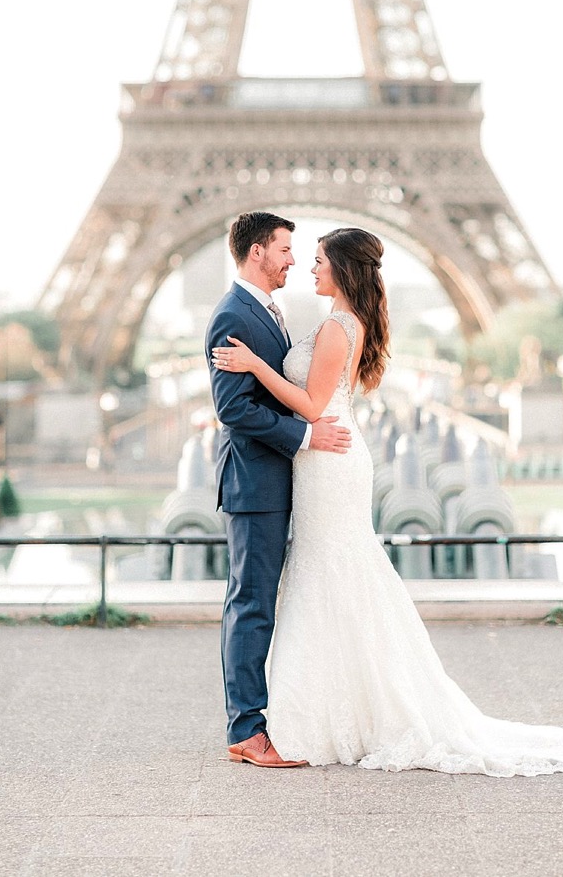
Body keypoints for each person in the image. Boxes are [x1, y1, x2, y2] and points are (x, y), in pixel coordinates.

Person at [211, 225, 563, 774]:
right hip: (318, 461)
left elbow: (309, 405)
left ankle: (307, 720)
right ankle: (314, 716)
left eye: (318, 260)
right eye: (294, 253)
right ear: (257, 250)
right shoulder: (324, 321)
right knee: (327, 581)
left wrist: (259, 367)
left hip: (326, 459)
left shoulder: (335, 327)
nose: (306, 267)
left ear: (343, 270)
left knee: (326, 578)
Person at [207, 211, 351, 768]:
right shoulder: (232, 314)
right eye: (286, 249)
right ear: (256, 251)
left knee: (261, 603)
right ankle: (247, 729)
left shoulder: (267, 308)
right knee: (252, 604)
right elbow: (233, 407)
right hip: (256, 483)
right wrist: (307, 436)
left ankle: (265, 720)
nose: (293, 259)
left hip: (278, 478)